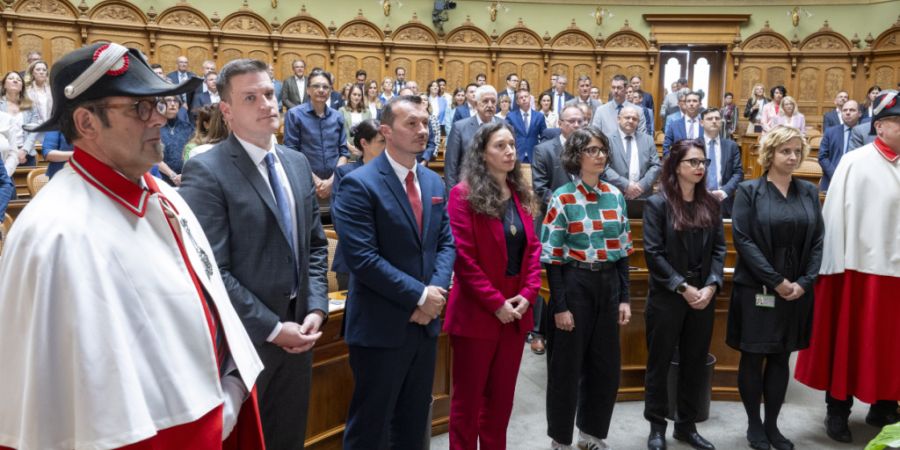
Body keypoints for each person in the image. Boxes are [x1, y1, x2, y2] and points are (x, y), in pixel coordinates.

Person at [0, 42, 264, 450]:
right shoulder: (53, 233)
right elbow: (75, 407)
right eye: (140, 108)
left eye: (158, 104)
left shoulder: (164, 196)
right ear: (87, 122)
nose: (159, 117)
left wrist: (229, 384)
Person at [180, 58, 328, 450]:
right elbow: (212, 270)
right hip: (246, 344)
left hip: (302, 334)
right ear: (226, 111)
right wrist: (274, 329)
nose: (266, 104)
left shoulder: (297, 163)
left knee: (290, 440)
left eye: (268, 94)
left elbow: (314, 246)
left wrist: (315, 308)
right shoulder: (207, 170)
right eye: (250, 97)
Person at [332, 95, 456, 449]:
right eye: (411, 123)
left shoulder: (432, 182)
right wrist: (419, 296)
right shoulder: (360, 183)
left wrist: (433, 295)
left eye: (425, 122)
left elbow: (445, 244)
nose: (422, 130)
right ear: (386, 131)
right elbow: (363, 259)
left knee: (414, 426)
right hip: (380, 326)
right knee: (371, 429)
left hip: (425, 325)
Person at [795, 90, 900, 444]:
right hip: (858, 268)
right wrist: (831, 267)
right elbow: (835, 218)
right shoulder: (855, 162)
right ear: (880, 126)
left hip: (896, 272)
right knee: (850, 341)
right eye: (899, 123)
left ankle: (884, 405)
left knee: (891, 344)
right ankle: (838, 409)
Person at [727, 125, 824, 450]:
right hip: (758, 289)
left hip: (796, 291)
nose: (793, 157)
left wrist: (804, 282)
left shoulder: (808, 191)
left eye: (797, 151)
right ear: (770, 154)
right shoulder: (748, 191)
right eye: (785, 151)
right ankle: (754, 425)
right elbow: (743, 240)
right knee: (753, 356)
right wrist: (777, 281)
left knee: (781, 357)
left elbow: (818, 241)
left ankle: (772, 425)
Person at [445, 122, 541, 449]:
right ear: (482, 153)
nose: (510, 151)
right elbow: (463, 258)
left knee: (500, 403)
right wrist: (496, 303)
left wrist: (528, 294)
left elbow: (533, 249)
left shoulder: (521, 193)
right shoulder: (463, 195)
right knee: (468, 404)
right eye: (500, 145)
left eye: (512, 144)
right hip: (477, 311)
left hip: (516, 312)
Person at [541, 126, 632, 450]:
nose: (600, 155)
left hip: (608, 284)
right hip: (575, 283)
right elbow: (552, 258)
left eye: (603, 149)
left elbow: (623, 251)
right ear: (576, 156)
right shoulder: (562, 197)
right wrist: (561, 306)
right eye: (592, 150)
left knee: (605, 367)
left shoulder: (615, 195)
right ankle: (560, 439)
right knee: (566, 368)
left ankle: (591, 434)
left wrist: (624, 298)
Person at [642, 138, 725, 450]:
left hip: (703, 294)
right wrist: (682, 286)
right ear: (676, 166)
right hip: (668, 296)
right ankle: (656, 426)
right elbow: (653, 254)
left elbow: (719, 250)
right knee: (660, 362)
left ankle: (686, 426)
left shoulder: (711, 204)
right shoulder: (658, 204)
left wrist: (711, 285)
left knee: (694, 361)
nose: (700, 167)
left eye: (703, 161)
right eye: (693, 161)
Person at [331, 119, 385, 290]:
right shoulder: (345, 174)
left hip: (389, 262)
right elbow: (339, 221)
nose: (387, 146)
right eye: (381, 141)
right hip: (352, 261)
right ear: (364, 143)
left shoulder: (393, 173)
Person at [283, 68, 350, 204]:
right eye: (316, 86)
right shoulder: (295, 115)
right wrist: (317, 181)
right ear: (308, 90)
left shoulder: (337, 116)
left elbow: (343, 152)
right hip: (305, 184)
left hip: (334, 185)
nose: (321, 90)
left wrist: (331, 181)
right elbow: (291, 153)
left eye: (325, 87)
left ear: (330, 91)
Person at [444, 84, 501, 188]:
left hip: (497, 188)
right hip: (468, 189)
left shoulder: (505, 126)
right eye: (485, 101)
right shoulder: (460, 128)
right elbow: (451, 167)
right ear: (476, 104)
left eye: (493, 101)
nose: (490, 105)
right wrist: (452, 194)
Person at [601, 105, 661, 200]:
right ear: (619, 119)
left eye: (634, 119)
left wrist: (641, 186)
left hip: (643, 194)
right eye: (627, 117)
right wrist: (626, 185)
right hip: (615, 195)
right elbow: (604, 167)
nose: (631, 121)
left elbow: (656, 166)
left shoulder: (648, 140)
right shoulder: (607, 140)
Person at [818, 100, 861, 192]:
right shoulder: (830, 132)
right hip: (832, 180)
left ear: (859, 113)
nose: (848, 113)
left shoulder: (865, 133)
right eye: (845, 110)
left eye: (852, 110)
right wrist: (835, 175)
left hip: (858, 182)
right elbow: (822, 157)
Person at [0, 71, 40, 168]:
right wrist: (12, 153)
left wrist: (24, 150)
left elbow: (34, 130)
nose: (15, 81)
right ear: (4, 85)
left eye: (18, 80)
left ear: (22, 87)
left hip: (26, 155)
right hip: (3, 153)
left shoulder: (31, 106)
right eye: (11, 78)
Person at [158, 95, 194, 186]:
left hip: (187, 178)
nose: (173, 104)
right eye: (168, 100)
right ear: (161, 104)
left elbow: (193, 153)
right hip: (162, 180)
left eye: (176, 101)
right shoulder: (155, 128)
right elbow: (154, 157)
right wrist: (172, 175)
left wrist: (186, 175)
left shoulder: (188, 128)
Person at [506, 89, 546, 163]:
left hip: (534, 155)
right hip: (516, 154)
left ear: (530, 98)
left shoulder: (539, 116)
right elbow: (506, 136)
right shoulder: (511, 117)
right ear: (517, 101)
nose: (524, 99)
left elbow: (544, 136)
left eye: (526, 96)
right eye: (521, 97)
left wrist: (540, 150)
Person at [663, 91, 703, 155]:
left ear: (700, 104)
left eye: (694, 101)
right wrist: (671, 160)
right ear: (685, 104)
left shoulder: (705, 125)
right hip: (679, 160)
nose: (691, 104)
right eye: (688, 101)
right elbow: (666, 147)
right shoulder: (674, 125)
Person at [340, 83, 372, 158]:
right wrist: (350, 147)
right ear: (349, 95)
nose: (356, 97)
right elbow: (340, 133)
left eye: (359, 95)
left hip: (364, 151)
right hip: (347, 151)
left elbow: (370, 132)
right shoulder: (342, 111)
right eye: (354, 94)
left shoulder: (367, 112)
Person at [24, 60, 52, 125]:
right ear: (32, 73)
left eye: (44, 70)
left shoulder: (51, 89)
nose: (41, 72)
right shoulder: (26, 90)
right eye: (38, 70)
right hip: (34, 126)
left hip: (50, 125)